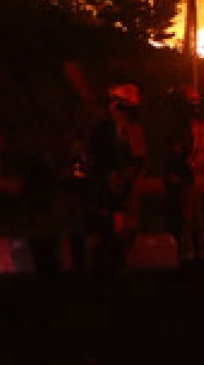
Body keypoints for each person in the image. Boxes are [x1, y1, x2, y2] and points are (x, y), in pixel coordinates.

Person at [85, 82, 148, 275]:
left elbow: (138, 161)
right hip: (110, 191)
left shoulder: (130, 131)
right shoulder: (107, 129)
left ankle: (115, 263)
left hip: (121, 193)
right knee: (106, 228)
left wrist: (125, 180)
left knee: (119, 230)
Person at [165, 84, 204, 269]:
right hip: (196, 178)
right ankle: (197, 254)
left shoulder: (185, 127)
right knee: (194, 219)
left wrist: (176, 172)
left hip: (187, 180)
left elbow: (179, 153)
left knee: (186, 219)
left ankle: (188, 256)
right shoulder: (200, 126)